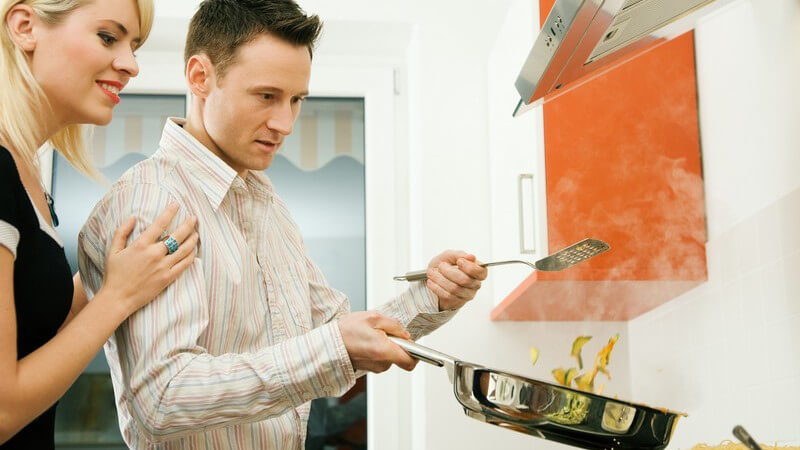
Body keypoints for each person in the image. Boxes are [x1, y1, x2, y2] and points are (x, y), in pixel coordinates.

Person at [76, 0, 489, 448]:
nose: (285, 122)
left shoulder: (267, 203)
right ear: (200, 77)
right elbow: (162, 398)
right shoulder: (154, 203)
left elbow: (333, 330)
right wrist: (334, 346)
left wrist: (432, 296)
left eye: (296, 100)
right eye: (266, 96)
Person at [0, 0, 200, 448]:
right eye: (108, 37)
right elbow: (2, 408)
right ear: (25, 26)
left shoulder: (28, 180)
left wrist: (114, 273)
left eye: (135, 46)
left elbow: (34, 335)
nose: (130, 65)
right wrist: (117, 296)